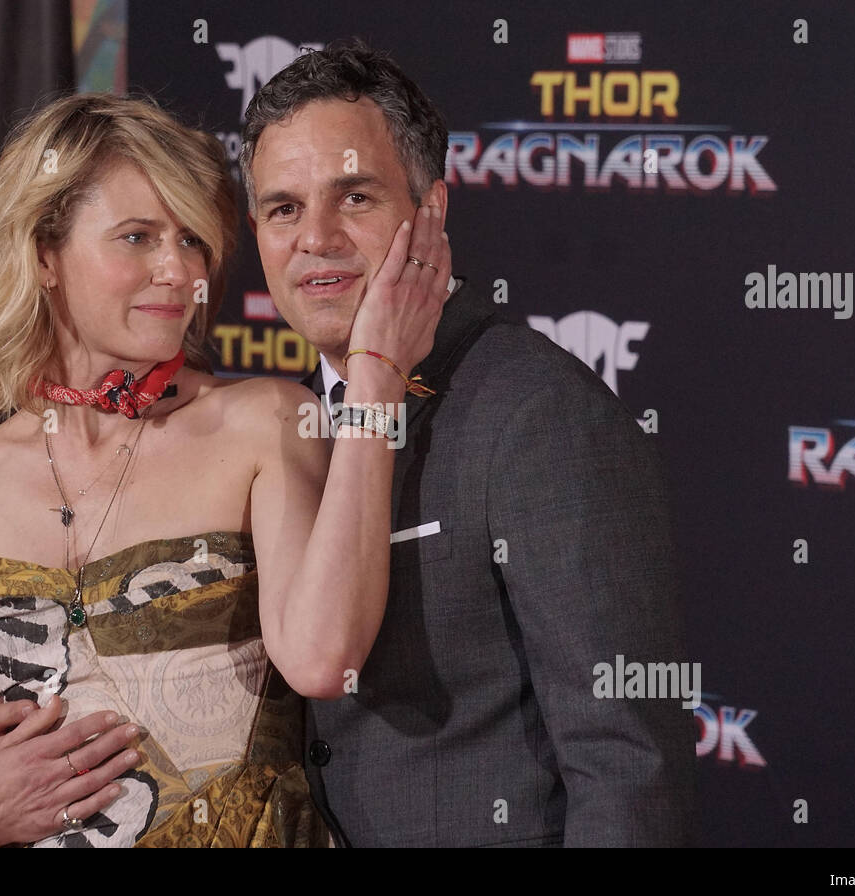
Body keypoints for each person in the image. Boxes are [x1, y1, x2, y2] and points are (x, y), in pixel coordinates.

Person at [0, 91, 448, 847]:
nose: (178, 270)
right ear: (44, 255)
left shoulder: (266, 421)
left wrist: (376, 376)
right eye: (138, 237)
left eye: (193, 239)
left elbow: (324, 657)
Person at [236, 39, 694, 846]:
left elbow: (626, 765)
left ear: (432, 210)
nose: (316, 238)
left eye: (355, 197)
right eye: (284, 208)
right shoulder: (284, 428)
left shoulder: (540, 413)